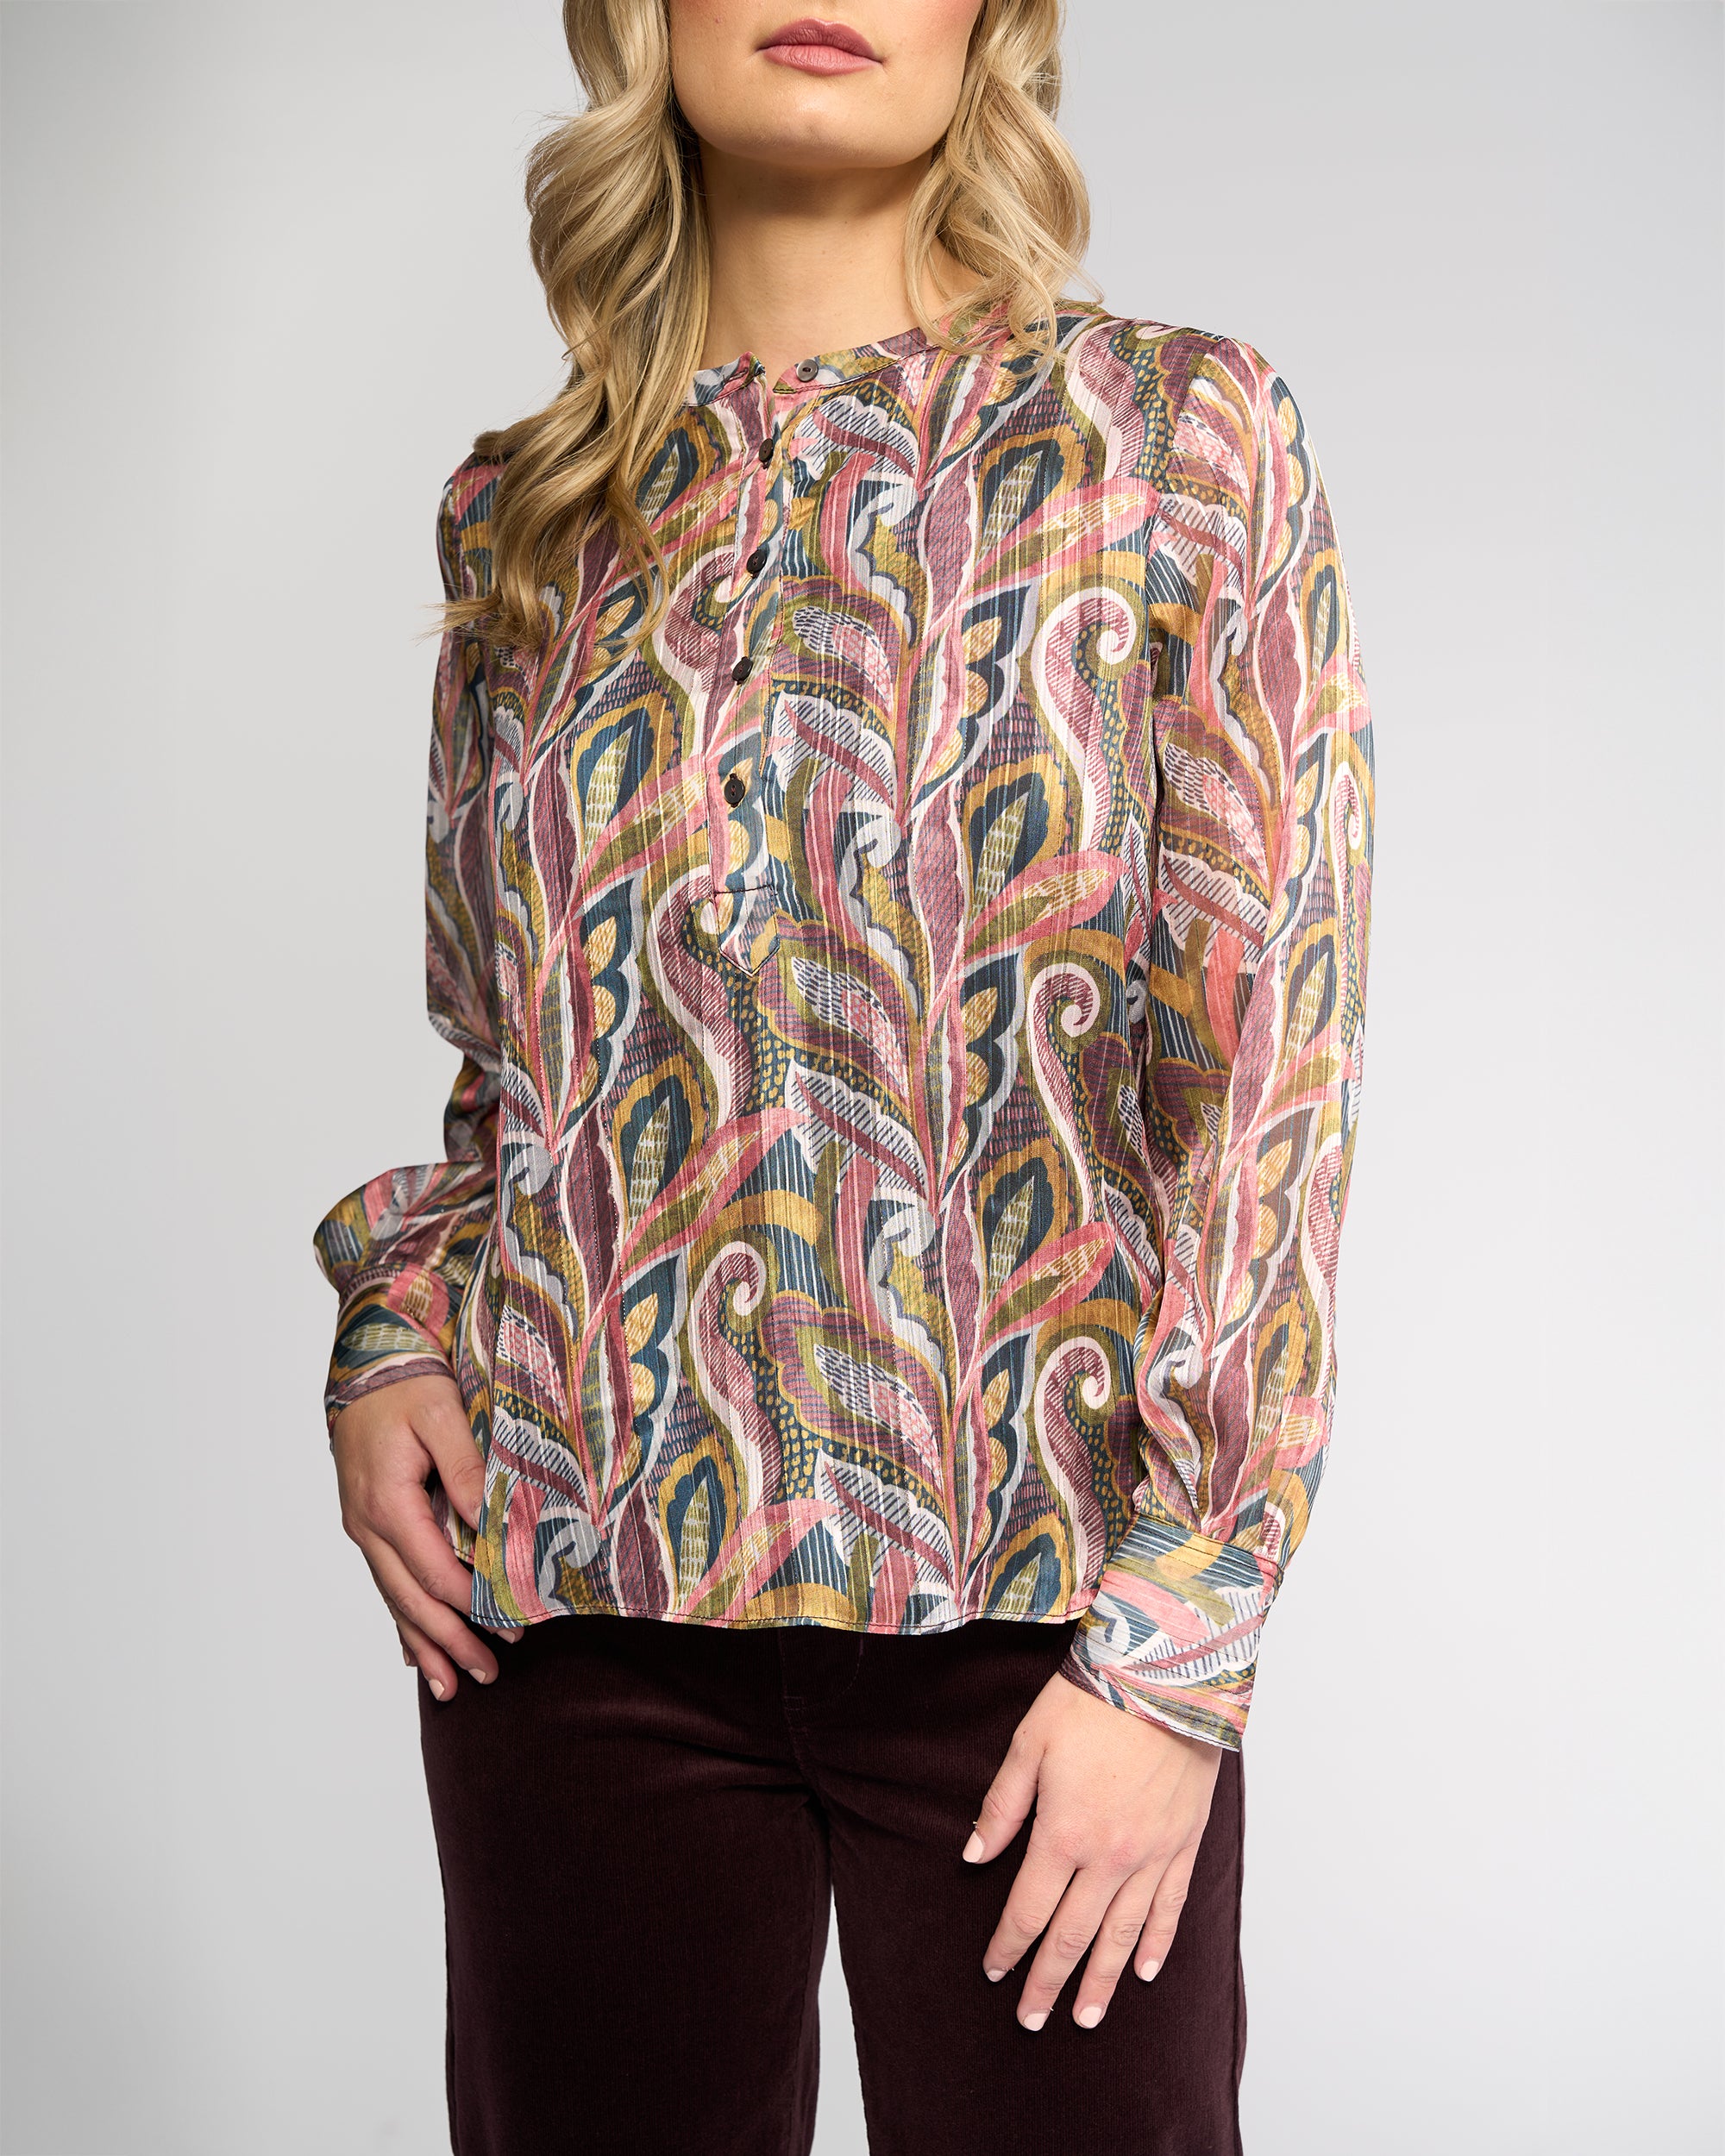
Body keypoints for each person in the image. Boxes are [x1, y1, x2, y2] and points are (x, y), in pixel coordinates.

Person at [311, 2, 1375, 2149]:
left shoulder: (1176, 438)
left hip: (1042, 1629)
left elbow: (1271, 1082)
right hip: (575, 1612)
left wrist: (1177, 1643)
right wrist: (395, 1323)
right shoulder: (523, 514)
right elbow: (512, 1072)